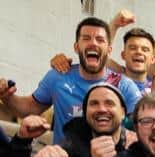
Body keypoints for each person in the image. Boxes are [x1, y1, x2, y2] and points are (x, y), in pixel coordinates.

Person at [0, 17, 141, 143]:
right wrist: (7, 97)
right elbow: (29, 108)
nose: (93, 43)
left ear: (109, 50)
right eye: (86, 38)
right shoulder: (57, 77)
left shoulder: (125, 86)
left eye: (100, 40)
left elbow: (141, 122)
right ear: (76, 47)